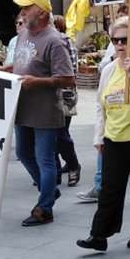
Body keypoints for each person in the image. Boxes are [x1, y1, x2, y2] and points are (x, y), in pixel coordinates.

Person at [76, 17, 130, 251]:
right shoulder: (108, 69)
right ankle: (99, 235)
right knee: (109, 190)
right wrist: (98, 137)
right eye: (115, 40)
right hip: (114, 137)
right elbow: (99, 105)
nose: (119, 45)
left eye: (124, 40)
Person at [0, 0, 75, 226]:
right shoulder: (24, 35)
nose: (22, 12)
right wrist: (7, 69)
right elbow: (24, 63)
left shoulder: (55, 40)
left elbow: (67, 78)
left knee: (45, 159)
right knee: (22, 153)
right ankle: (48, 189)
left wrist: (37, 81)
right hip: (22, 107)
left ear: (41, 12)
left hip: (45, 110)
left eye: (26, 8)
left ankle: (45, 208)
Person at [52, 15, 81, 187]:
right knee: (50, 135)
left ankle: (73, 165)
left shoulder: (64, 41)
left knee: (61, 133)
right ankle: (54, 171)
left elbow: (72, 71)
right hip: (45, 94)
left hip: (64, 93)